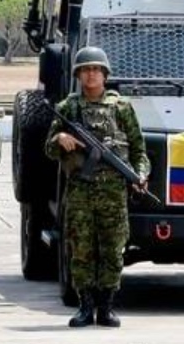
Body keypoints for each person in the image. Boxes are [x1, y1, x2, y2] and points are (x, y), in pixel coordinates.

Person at [48, 47, 148, 328]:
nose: (91, 74)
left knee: (112, 249)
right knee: (80, 249)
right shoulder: (68, 108)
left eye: (96, 70)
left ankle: (106, 306)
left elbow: (139, 150)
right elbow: (48, 148)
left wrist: (140, 175)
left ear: (104, 74)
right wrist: (61, 139)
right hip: (80, 189)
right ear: (78, 75)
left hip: (113, 191)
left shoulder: (121, 108)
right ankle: (85, 306)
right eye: (85, 70)